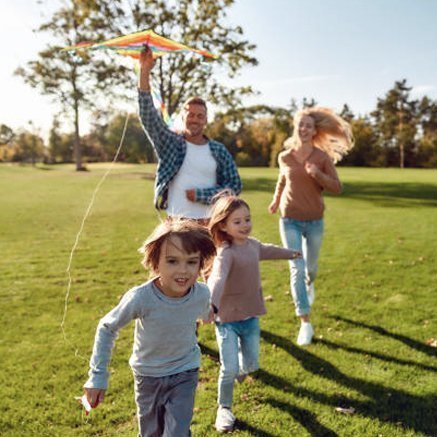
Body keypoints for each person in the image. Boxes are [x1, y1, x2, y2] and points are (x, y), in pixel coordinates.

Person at [82, 220, 216, 437]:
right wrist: (97, 377)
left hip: (185, 371)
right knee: (151, 433)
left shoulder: (201, 293)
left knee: (177, 433)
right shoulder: (141, 298)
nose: (183, 271)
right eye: (172, 261)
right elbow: (107, 327)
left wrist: (209, 315)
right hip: (148, 376)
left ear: (201, 264)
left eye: (192, 262)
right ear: (155, 263)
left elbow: (203, 311)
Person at [206, 195, 301, 432]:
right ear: (223, 226)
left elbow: (269, 250)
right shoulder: (225, 253)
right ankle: (224, 409)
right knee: (228, 369)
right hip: (226, 319)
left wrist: (291, 253)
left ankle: (240, 366)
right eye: (237, 221)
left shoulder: (253, 245)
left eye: (247, 219)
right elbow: (216, 280)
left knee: (251, 365)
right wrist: (211, 306)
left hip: (250, 317)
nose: (245, 225)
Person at [268, 107, 354, 346]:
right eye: (300, 125)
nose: (304, 129)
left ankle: (311, 282)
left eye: (308, 126)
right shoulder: (284, 156)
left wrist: (318, 175)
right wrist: (276, 201)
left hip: (315, 221)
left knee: (310, 268)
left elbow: (337, 187)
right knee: (296, 267)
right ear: (295, 128)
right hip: (289, 220)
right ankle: (305, 322)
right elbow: (282, 179)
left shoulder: (321, 158)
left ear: (314, 131)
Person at [138, 48, 242, 221]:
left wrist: (203, 195)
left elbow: (235, 185)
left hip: (210, 224)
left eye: (200, 116)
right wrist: (144, 71)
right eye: (190, 115)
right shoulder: (171, 143)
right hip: (176, 222)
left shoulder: (218, 150)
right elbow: (147, 114)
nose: (195, 119)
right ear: (183, 117)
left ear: (206, 120)